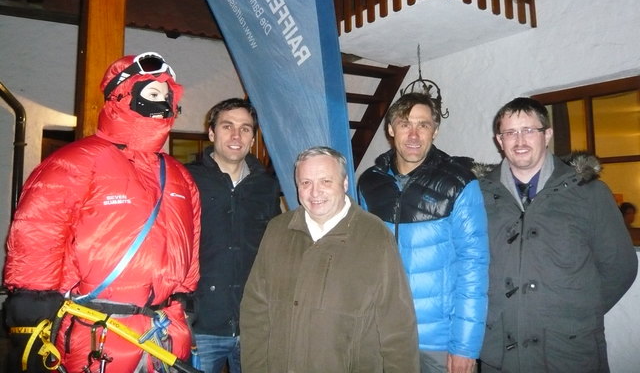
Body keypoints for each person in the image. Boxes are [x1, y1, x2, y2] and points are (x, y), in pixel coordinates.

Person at [3, 52, 201, 372]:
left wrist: (185, 304)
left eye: (167, 97)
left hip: (165, 338)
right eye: (152, 94)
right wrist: (32, 322)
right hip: (98, 339)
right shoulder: (74, 163)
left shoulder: (180, 176)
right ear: (122, 96)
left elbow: (190, 250)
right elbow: (37, 237)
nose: (163, 104)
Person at [478, 97, 638, 373]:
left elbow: (619, 267)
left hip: (568, 351)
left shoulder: (590, 193)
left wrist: (577, 313)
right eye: (510, 132)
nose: (520, 140)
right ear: (499, 140)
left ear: (548, 134)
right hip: (499, 351)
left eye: (529, 130)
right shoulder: (478, 196)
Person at [240, 146, 420, 373]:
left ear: (344, 184)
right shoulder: (277, 231)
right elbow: (255, 313)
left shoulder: (375, 236)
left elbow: (398, 326)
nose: (315, 192)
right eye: (306, 183)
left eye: (325, 181)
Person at [358, 92, 489, 373]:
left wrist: (465, 347)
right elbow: (365, 259)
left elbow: (474, 267)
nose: (414, 134)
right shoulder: (369, 183)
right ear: (391, 130)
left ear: (435, 131)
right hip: (382, 334)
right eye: (405, 124)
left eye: (424, 125)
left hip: (437, 344)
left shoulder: (460, 183)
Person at [185, 98, 281, 373]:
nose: (236, 136)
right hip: (202, 324)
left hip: (255, 324)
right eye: (227, 127)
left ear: (253, 138)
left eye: (245, 129)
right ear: (212, 132)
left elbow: (273, 248)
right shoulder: (187, 180)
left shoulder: (266, 186)